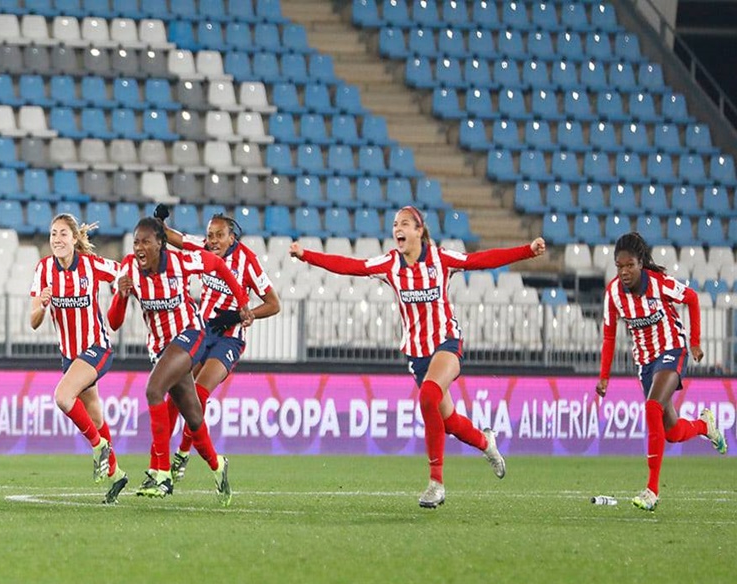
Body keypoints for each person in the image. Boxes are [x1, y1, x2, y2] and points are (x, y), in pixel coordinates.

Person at [290, 206, 544, 508]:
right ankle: (485, 442)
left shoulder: (441, 258)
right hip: (417, 352)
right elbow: (349, 266)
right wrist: (307, 255)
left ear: (419, 231)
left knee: (428, 395)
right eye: (395, 224)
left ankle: (436, 484)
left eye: (405, 224)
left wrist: (527, 251)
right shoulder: (389, 264)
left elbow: (481, 260)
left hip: (446, 342)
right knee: (447, 421)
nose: (398, 228)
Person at [107, 216, 253, 505]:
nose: (139, 247)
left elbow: (219, 265)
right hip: (161, 348)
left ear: (160, 244)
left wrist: (243, 302)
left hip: (190, 334)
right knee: (193, 413)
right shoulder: (128, 269)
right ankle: (217, 465)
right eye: (136, 241)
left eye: (146, 241)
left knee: (153, 390)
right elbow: (114, 323)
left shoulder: (181, 263)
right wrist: (121, 296)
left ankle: (161, 473)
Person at [595, 232, 727, 511]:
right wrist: (604, 376)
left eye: (629, 265)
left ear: (641, 263)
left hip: (672, 349)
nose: (625, 272)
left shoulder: (659, 284)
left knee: (652, 407)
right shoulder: (613, 294)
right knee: (671, 431)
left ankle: (652, 491)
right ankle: (705, 426)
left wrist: (694, 342)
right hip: (645, 363)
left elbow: (691, 298)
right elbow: (609, 336)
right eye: (619, 267)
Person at [155, 207, 280, 482]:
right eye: (210, 235)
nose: (213, 241)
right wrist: (158, 221)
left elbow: (274, 304)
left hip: (229, 338)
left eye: (219, 235)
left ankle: (183, 454)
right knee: (177, 393)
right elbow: (171, 238)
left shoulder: (247, 261)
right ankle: (159, 463)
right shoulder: (203, 249)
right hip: (202, 330)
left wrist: (242, 315)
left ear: (232, 237)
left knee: (198, 394)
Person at [30, 213, 128, 504]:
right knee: (95, 415)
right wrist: (43, 306)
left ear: (74, 239)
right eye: (53, 234)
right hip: (70, 356)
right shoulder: (44, 270)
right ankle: (116, 473)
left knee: (62, 396)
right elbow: (34, 321)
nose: (57, 240)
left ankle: (99, 448)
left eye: (63, 234)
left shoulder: (91, 265)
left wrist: (120, 293)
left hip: (96, 346)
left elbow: (124, 274)